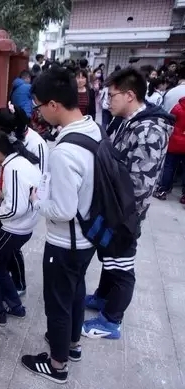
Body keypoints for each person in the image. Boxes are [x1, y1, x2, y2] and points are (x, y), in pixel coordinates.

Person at [20, 66, 101, 384]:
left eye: (39, 106)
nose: (38, 113)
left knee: (57, 303)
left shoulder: (64, 152)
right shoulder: (92, 130)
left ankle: (57, 365)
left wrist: (36, 199)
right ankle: (72, 345)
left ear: (53, 104)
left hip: (66, 243)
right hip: (88, 237)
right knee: (76, 292)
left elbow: (63, 210)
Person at [83, 68, 174, 340]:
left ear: (130, 95)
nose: (107, 101)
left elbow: (140, 186)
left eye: (112, 96)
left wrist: (121, 218)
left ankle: (112, 321)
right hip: (114, 206)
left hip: (124, 213)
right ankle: (103, 297)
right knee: (110, 257)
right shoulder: (128, 121)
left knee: (122, 266)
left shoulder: (149, 131)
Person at [0, 129, 42, 326]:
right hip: (24, 226)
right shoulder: (15, 162)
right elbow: (10, 193)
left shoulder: (13, 168)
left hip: (15, 229)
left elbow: (14, 208)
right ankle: (15, 307)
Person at [154, 96, 185, 203]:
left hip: (174, 142)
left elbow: (169, 121)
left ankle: (163, 190)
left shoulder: (178, 107)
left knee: (169, 166)